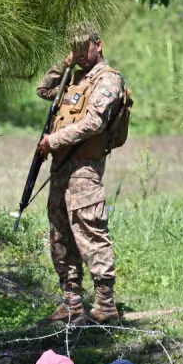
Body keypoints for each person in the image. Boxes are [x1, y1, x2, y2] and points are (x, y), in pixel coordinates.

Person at [36, 23, 126, 325]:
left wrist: (53, 141)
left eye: (83, 50)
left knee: (90, 234)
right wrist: (64, 63)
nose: (80, 56)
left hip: (85, 172)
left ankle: (105, 305)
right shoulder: (73, 78)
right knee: (60, 236)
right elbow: (44, 90)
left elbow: (93, 124)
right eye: (74, 50)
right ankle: (72, 303)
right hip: (60, 169)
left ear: (98, 45)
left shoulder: (108, 80)